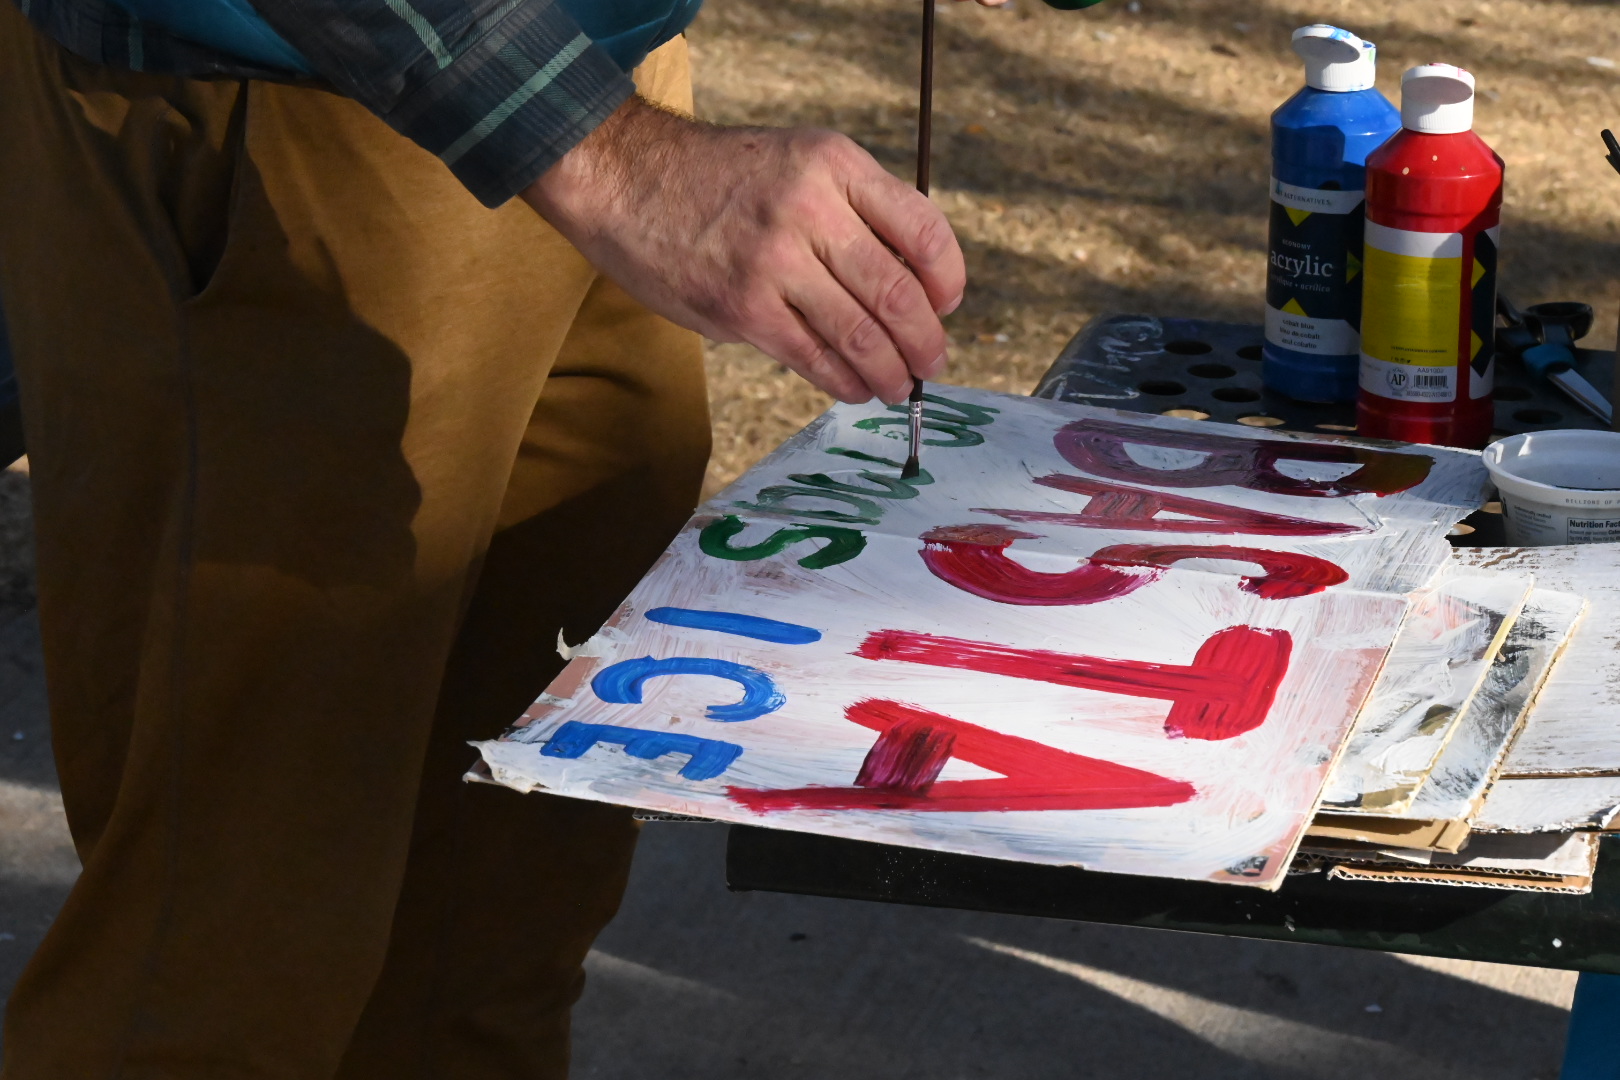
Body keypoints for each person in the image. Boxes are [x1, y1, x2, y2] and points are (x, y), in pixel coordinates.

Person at [0, 0, 1016, 1076]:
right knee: (228, 963)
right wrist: (614, 164)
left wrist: (612, 148)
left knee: (499, 934)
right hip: (313, 106)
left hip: (603, 88)